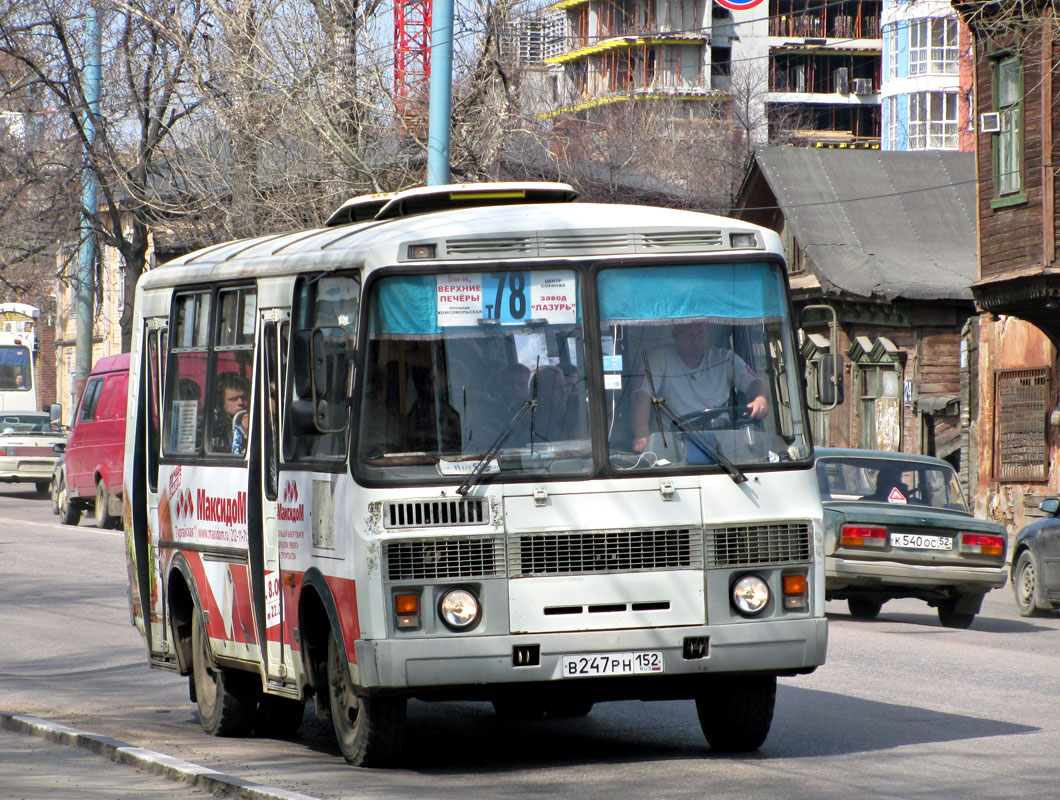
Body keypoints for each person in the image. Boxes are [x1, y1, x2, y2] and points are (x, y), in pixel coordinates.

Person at [632, 321, 768, 453]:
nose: (695, 340)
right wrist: (642, 434)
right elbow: (642, 395)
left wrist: (760, 399)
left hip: (723, 448)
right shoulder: (658, 359)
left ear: (707, 331)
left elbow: (755, 382)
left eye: (700, 333)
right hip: (675, 448)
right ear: (675, 335)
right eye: (689, 335)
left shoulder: (725, 359)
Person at [213, 372, 250, 454]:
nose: (241, 403)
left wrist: (248, 434)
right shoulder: (214, 428)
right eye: (233, 399)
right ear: (221, 402)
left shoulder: (258, 424)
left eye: (244, 398)